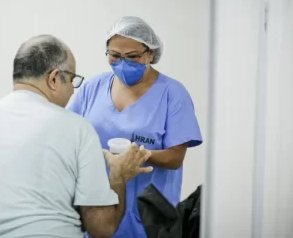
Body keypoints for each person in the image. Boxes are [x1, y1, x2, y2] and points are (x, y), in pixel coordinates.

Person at [0, 34, 153, 238]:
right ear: (53, 78)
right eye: (71, 80)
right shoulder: (77, 128)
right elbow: (101, 228)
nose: (72, 91)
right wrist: (118, 175)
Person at [67, 16, 203, 237]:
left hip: (149, 219)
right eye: (115, 56)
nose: (123, 63)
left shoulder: (172, 94)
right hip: (99, 211)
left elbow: (175, 158)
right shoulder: (92, 88)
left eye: (132, 57)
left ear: (150, 54)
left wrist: (137, 155)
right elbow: (70, 137)